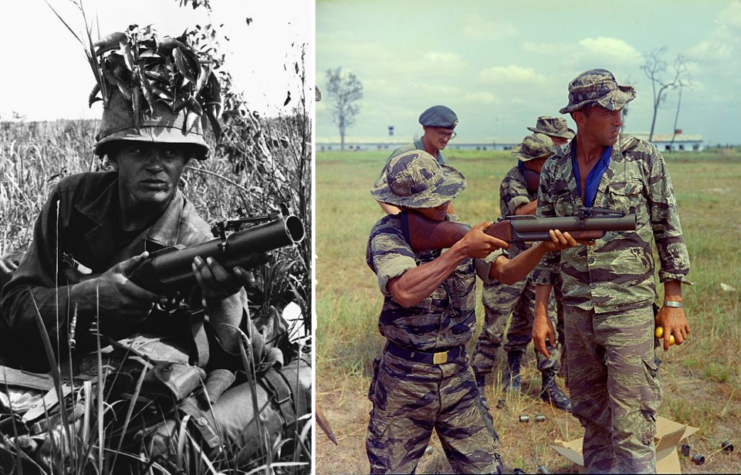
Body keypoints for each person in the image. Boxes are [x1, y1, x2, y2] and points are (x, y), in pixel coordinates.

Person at [0, 28, 309, 472]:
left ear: (187, 159)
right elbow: (14, 305)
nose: (157, 164)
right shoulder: (70, 200)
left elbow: (243, 363)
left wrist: (221, 300)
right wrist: (89, 296)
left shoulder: (196, 241)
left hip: (119, 387)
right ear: (114, 154)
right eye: (141, 150)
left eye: (171, 151)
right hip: (47, 362)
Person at [366, 150, 581, 474]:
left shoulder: (458, 232)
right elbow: (405, 291)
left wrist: (541, 247)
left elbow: (506, 273)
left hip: (457, 372)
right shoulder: (388, 236)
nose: (443, 203)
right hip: (404, 378)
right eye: (431, 198)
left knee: (484, 467)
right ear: (407, 203)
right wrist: (461, 249)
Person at [532, 69, 691, 474]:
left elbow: (667, 228)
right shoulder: (553, 168)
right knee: (591, 417)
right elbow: (544, 250)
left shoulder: (642, 156)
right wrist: (540, 313)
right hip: (577, 313)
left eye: (622, 110)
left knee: (633, 425)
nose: (619, 119)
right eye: (609, 111)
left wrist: (673, 302)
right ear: (580, 117)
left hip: (629, 310)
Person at [471, 133, 571, 412]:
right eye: (542, 167)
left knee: (543, 321)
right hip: (510, 258)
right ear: (527, 164)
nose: (548, 171)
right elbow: (523, 211)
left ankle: (549, 382)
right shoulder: (512, 180)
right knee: (495, 324)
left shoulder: (553, 178)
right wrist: (550, 192)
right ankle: (478, 380)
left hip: (541, 258)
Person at [377, 105, 458, 215]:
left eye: (449, 134)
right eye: (442, 133)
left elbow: (445, 199)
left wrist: (453, 224)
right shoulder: (405, 155)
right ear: (425, 128)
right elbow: (380, 190)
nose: (445, 139)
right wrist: (403, 221)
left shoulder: (442, 159)